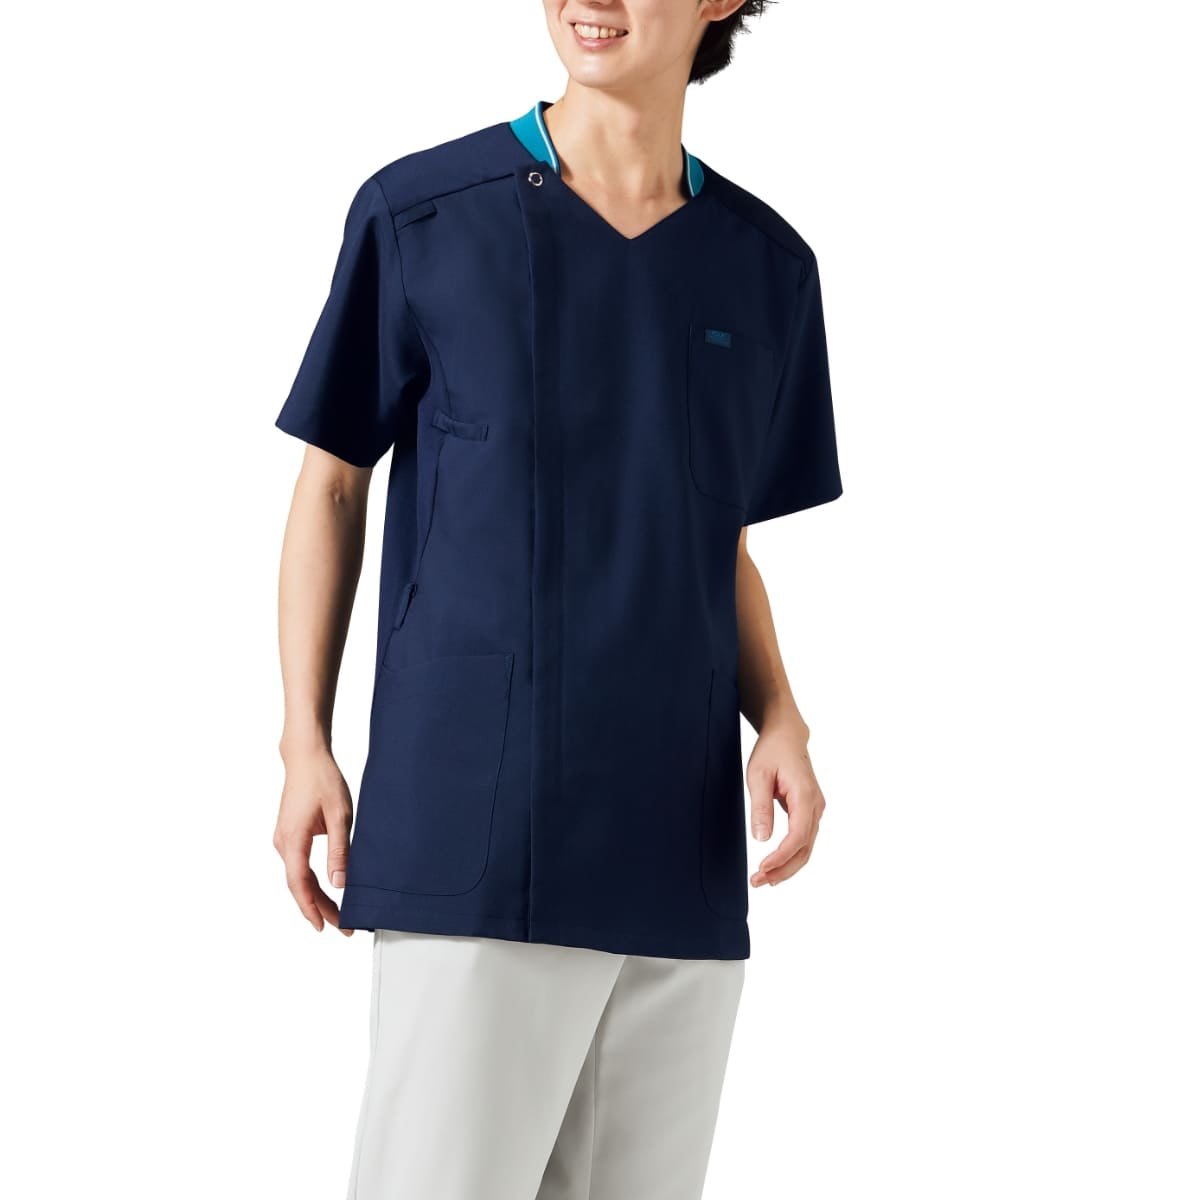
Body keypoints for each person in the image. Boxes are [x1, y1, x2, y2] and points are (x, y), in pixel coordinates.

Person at [273, 2, 843, 1197]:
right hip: (477, 829)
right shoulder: (424, 214)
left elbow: (716, 537)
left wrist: (781, 715)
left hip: (678, 847)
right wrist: (303, 740)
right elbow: (331, 485)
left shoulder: (767, 268)